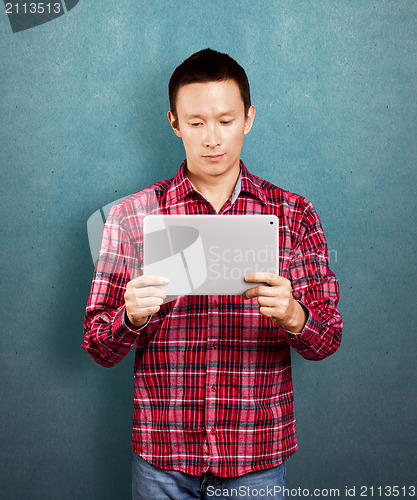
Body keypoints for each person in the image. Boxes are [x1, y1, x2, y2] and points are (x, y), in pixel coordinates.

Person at [83, 48, 343, 499]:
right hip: (162, 457)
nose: (212, 138)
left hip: (256, 456)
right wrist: (130, 319)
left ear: (248, 118)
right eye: (196, 122)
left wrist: (294, 315)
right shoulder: (130, 217)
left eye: (225, 120)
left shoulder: (295, 215)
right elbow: (97, 345)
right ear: (174, 123)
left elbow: (328, 338)